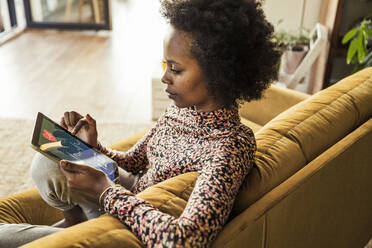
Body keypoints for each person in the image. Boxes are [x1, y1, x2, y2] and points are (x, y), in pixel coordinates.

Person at [0, 0, 281, 247]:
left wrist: (106, 192)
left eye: (176, 69)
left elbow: (185, 241)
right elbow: (133, 162)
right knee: (50, 157)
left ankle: (79, 230)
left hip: (131, 222)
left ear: (221, 73)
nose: (164, 78)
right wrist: (93, 146)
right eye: (165, 66)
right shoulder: (182, 109)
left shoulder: (230, 146)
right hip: (126, 191)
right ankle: (76, 223)